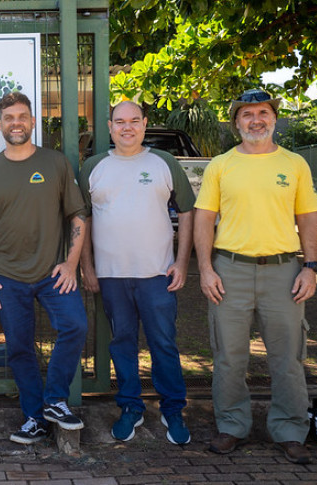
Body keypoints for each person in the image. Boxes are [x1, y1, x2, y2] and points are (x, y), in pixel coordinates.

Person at [194, 88, 317, 464]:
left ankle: (290, 429)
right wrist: (204, 268)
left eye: (263, 113)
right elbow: (204, 218)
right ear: (236, 123)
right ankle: (232, 426)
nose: (256, 120)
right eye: (247, 115)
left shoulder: (295, 163)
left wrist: (311, 267)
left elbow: (309, 216)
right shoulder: (220, 165)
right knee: (229, 356)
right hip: (230, 269)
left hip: (284, 272)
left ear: (274, 118)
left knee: (288, 356)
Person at [0, 91, 89, 444]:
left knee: (75, 326)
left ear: (33, 121)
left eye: (22, 116)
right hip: (6, 277)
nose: (16, 123)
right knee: (20, 348)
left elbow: (78, 215)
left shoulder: (55, 164)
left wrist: (70, 263)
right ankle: (34, 418)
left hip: (53, 272)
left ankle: (54, 400)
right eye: (9, 118)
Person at [78, 101, 195, 444]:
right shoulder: (94, 167)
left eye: (134, 121)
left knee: (163, 344)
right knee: (122, 344)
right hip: (112, 276)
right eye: (119, 121)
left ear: (144, 124)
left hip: (158, 274)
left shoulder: (164, 163)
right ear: (110, 126)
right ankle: (131, 406)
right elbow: (82, 219)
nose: (126, 127)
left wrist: (182, 262)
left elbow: (187, 211)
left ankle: (173, 409)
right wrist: (87, 266)